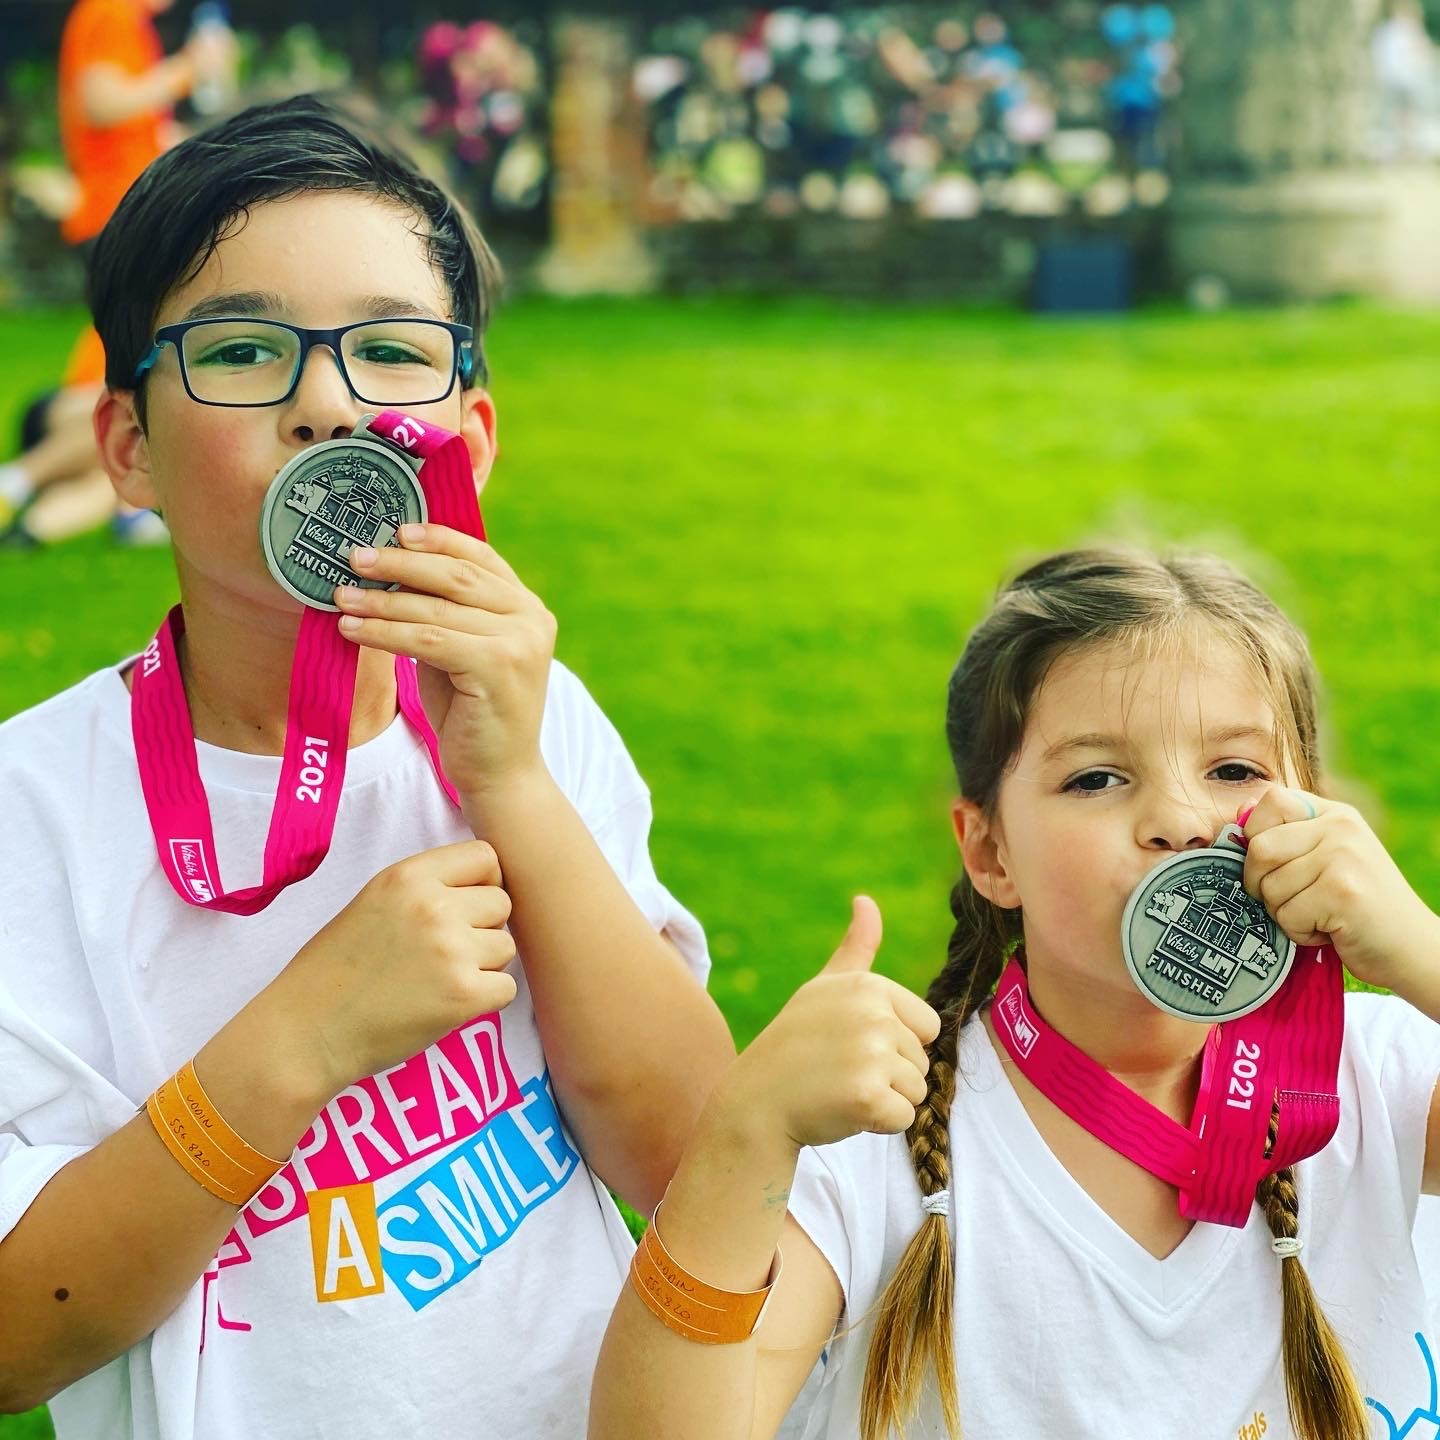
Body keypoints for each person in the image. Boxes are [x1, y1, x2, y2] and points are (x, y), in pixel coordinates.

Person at [0, 95, 734, 1438]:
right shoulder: (30, 815)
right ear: (127, 450)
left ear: (472, 439)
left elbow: (691, 1161)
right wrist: (303, 1039)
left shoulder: (534, 719)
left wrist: (516, 792)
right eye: (242, 351)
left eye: (392, 351)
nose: (328, 405)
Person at [590, 548, 1440, 1440]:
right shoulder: (874, 1144)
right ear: (990, 852)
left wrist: (1422, 950)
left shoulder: (1378, 1073)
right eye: (1097, 778)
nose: (1182, 821)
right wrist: (747, 1131)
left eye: (1234, 770)